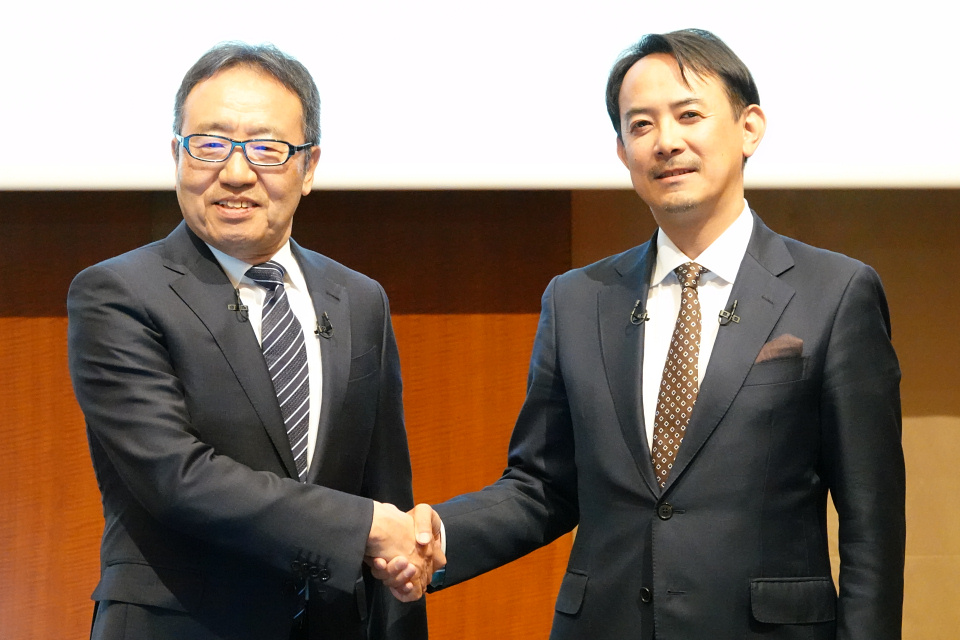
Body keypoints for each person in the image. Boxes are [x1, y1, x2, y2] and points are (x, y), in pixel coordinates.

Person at [381, 28, 906, 639]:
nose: (667, 142)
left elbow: (872, 526)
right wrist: (436, 537)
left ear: (749, 128)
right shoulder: (577, 300)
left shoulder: (835, 293)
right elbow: (543, 486)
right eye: (641, 125)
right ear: (623, 151)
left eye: (689, 115)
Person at [68, 42, 439, 640]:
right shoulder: (117, 293)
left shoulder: (358, 299)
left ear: (309, 167)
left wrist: (397, 562)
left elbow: (386, 490)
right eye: (210, 145)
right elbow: (176, 477)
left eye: (267, 149)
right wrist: (365, 526)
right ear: (177, 155)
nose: (236, 173)